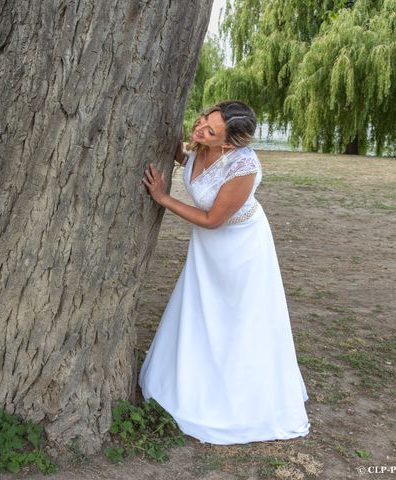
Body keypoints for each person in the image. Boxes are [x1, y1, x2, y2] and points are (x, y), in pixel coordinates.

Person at [139, 100, 310, 444]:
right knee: (200, 311)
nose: (200, 128)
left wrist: (163, 198)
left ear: (229, 144)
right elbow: (190, 164)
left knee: (236, 319)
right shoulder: (201, 144)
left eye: (210, 130)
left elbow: (213, 220)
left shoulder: (243, 167)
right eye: (204, 118)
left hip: (239, 248)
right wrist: (176, 148)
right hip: (207, 250)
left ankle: (237, 400)